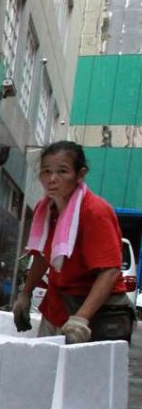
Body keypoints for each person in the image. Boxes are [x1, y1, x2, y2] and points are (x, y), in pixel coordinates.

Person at [12, 141, 135, 343]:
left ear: (80, 175)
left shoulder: (95, 211)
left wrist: (81, 318)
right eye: (46, 171)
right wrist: (25, 294)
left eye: (62, 171)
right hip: (58, 306)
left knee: (84, 374)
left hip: (96, 311)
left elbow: (110, 271)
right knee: (46, 369)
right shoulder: (47, 210)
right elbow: (44, 256)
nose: (52, 179)